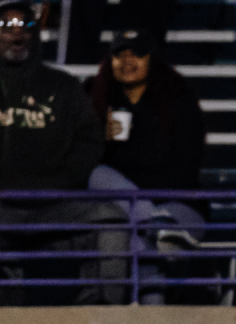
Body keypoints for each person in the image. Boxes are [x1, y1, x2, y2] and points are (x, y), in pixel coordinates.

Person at [0, 0, 128, 305]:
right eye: (7, 26)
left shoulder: (64, 85)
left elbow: (90, 140)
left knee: (113, 219)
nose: (17, 34)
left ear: (36, 33)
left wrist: (61, 180)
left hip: (54, 203)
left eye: (26, 26)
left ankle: (99, 317)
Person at [87, 30, 206, 241]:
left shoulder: (178, 98)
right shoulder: (96, 97)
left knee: (157, 238)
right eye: (120, 55)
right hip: (124, 207)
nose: (127, 61)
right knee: (99, 175)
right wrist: (104, 139)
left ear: (152, 58)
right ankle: (151, 220)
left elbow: (185, 170)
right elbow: (87, 166)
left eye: (136, 54)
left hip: (176, 202)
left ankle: (151, 221)